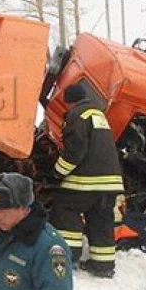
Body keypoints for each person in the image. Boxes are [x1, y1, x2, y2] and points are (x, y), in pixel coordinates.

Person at [48, 84, 124, 278]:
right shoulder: (98, 115)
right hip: (111, 182)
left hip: (88, 180)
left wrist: (57, 171)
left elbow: (75, 150)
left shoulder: (76, 115)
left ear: (69, 101)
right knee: (101, 220)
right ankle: (104, 266)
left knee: (65, 208)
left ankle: (69, 256)